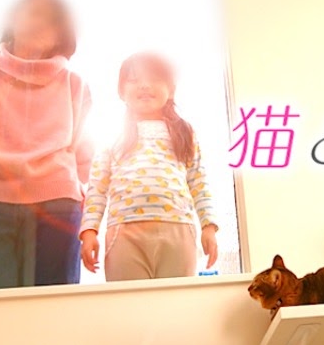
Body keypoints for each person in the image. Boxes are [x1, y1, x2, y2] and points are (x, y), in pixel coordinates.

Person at [0, 0, 92, 289]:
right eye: (33, 13)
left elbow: (81, 151)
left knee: (54, 308)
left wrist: (64, 187)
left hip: (58, 205)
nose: (41, 24)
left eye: (52, 20)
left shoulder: (75, 84)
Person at [79, 52, 219, 281]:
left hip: (178, 229)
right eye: (134, 80)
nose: (144, 85)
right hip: (124, 232)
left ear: (171, 89)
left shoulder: (184, 132)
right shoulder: (112, 135)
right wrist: (89, 231)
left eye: (154, 79)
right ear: (121, 91)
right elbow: (97, 188)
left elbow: (198, 182)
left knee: (177, 299)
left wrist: (208, 227)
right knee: (129, 300)